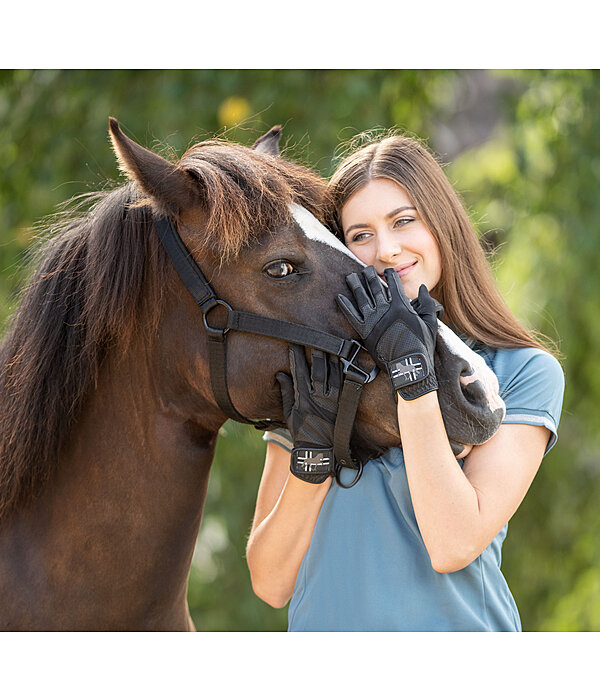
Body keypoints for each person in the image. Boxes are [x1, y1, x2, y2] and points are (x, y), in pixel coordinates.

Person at [245, 131, 565, 631]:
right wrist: (314, 451)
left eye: (403, 221)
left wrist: (412, 377)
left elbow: (453, 544)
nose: (388, 250)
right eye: (361, 235)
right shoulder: (315, 373)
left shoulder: (520, 371)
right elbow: (271, 583)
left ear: (441, 225)